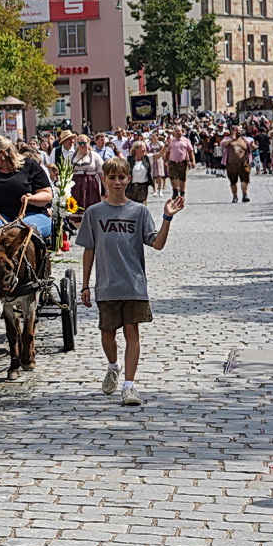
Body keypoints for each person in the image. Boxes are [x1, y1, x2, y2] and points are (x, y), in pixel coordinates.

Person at [77, 158, 183, 407]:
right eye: (112, 177)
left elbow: (156, 243)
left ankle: (129, 386)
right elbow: (89, 250)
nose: (117, 182)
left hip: (134, 284)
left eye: (121, 177)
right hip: (106, 285)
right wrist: (84, 285)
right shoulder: (94, 213)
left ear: (128, 179)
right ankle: (113, 366)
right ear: (104, 179)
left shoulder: (139, 211)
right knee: (107, 334)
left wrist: (167, 218)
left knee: (132, 332)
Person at [0, 134, 55, 240]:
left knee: (24, 231)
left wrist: (31, 199)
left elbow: (47, 194)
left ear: (2, 154)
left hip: (33, 214)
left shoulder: (31, 166)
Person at [222, 126, 254, 203]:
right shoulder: (227, 139)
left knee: (245, 180)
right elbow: (223, 144)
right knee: (233, 182)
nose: (239, 132)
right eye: (237, 131)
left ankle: (244, 195)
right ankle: (235, 196)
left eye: (240, 131)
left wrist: (252, 145)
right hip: (231, 165)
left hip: (243, 164)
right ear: (232, 131)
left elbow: (252, 148)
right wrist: (232, 139)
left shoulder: (246, 140)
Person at [164, 128, 194, 198]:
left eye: (179, 131)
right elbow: (167, 152)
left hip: (182, 162)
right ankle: (175, 191)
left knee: (182, 178)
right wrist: (165, 161)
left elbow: (190, 151)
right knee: (173, 177)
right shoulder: (171, 141)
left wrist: (193, 161)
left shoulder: (186, 140)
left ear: (182, 132)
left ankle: (182, 193)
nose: (178, 132)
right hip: (172, 162)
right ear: (174, 132)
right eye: (176, 131)